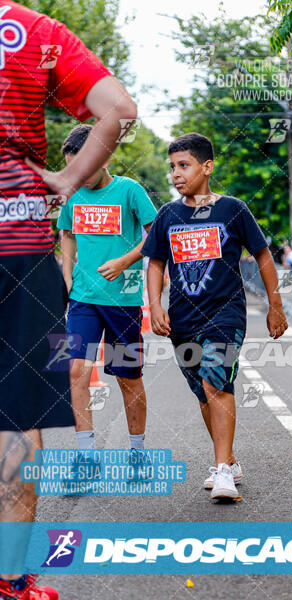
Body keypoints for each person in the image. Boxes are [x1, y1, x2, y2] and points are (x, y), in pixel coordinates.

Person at [0, 1, 137, 598]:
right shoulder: (32, 30)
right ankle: (10, 581)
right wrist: (66, 178)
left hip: (93, 291)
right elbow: (120, 110)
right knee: (14, 423)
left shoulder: (131, 195)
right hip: (16, 246)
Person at [141, 132, 287, 501]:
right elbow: (156, 262)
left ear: (207, 167)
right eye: (172, 166)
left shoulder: (233, 209)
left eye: (184, 165)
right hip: (183, 319)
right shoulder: (168, 215)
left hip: (226, 314)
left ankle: (222, 471)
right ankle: (230, 459)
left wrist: (276, 305)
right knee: (204, 393)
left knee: (215, 382)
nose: (176, 173)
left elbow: (263, 256)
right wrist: (155, 305)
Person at [57, 124, 157, 452]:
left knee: (127, 378)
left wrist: (125, 261)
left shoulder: (129, 190)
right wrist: (67, 275)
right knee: (76, 371)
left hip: (123, 300)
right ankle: (85, 456)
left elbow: (156, 235)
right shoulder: (72, 194)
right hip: (84, 299)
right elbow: (67, 234)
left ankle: (137, 451)